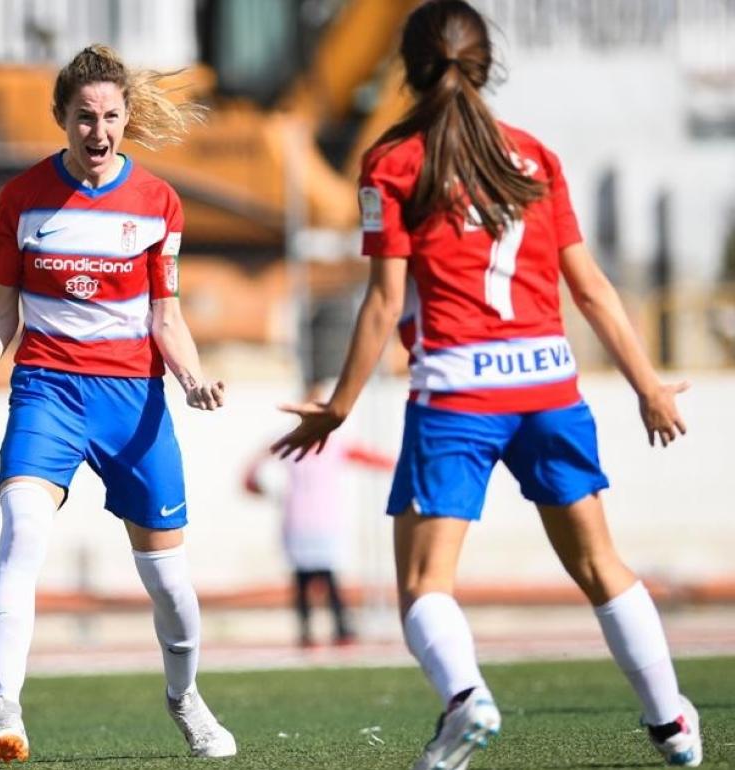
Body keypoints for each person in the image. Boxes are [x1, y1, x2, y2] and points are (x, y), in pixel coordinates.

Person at [272, 2, 702, 768]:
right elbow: (593, 287)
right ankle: (670, 722)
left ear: (405, 69)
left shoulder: (393, 162)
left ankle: (467, 698)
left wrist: (336, 408)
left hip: (457, 392)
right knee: (603, 565)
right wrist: (649, 387)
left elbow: (380, 303)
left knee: (424, 583)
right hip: (547, 385)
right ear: (487, 63)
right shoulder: (532, 155)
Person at [0, 44, 236, 764]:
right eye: (85, 118)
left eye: (111, 117)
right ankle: (7, 712)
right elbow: (3, 311)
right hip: (47, 392)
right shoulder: (23, 199)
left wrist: (191, 379)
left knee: (170, 585)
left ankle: (184, 698)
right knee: (22, 533)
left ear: (127, 118)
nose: (99, 132)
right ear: (60, 118)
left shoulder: (159, 202)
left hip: (135, 405)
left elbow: (166, 315)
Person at [243, 383, 394, 649]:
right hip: (300, 518)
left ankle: (338, 629)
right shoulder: (291, 441)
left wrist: (399, 465)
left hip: (322, 519)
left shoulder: (332, 444)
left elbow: (371, 457)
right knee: (305, 578)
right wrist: (261, 489)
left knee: (326, 577)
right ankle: (311, 632)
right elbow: (251, 473)